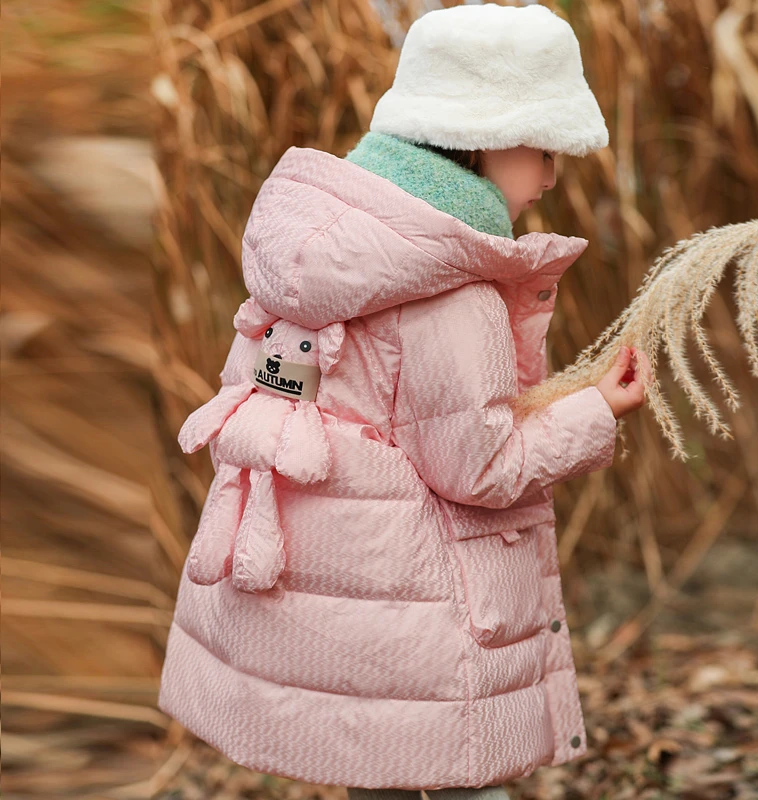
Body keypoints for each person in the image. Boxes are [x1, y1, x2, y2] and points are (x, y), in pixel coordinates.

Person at [157, 4, 653, 800]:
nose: (554, 178)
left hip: (342, 614)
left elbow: (283, 395)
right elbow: (481, 469)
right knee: (456, 781)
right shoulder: (450, 291)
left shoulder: (317, 256)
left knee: (376, 776)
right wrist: (598, 408)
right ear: (490, 139)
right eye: (545, 151)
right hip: (418, 614)